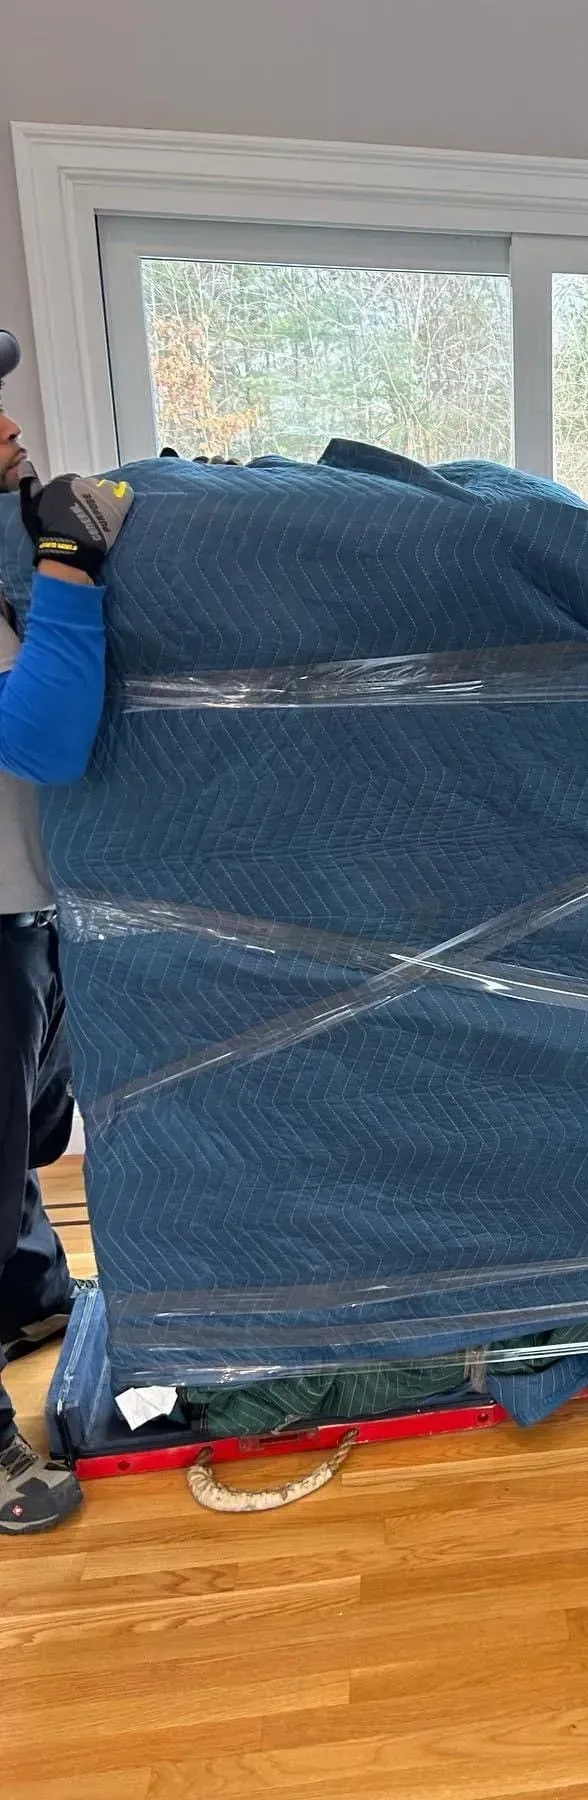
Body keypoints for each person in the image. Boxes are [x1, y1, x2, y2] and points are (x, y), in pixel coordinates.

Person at [0, 328, 132, 1530]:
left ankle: (29, 1290)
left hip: (21, 902)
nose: (7, 423)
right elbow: (43, 736)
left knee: (33, 1126)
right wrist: (66, 566)